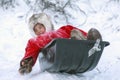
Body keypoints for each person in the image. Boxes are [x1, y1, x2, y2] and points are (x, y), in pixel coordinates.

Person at [18, 13, 102, 75]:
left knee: (71, 30)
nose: (39, 31)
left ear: (46, 25)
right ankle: (80, 41)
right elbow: (31, 50)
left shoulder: (62, 30)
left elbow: (70, 29)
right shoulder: (36, 40)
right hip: (56, 52)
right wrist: (27, 62)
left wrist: (86, 35)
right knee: (33, 42)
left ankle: (90, 40)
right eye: (35, 30)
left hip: (70, 46)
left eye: (40, 27)